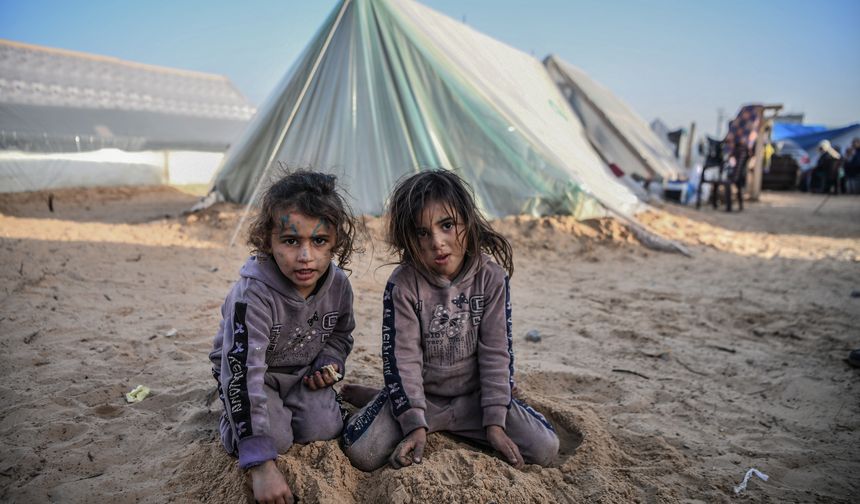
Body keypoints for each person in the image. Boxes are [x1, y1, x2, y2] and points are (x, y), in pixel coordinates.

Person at [341, 169, 559, 471]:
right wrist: (414, 422)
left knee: (545, 448)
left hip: (474, 399)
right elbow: (402, 359)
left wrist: (495, 421)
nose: (437, 242)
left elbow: (497, 353)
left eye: (447, 225)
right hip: (423, 396)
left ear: (467, 223)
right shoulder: (404, 285)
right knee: (361, 451)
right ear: (408, 239)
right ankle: (388, 399)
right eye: (422, 233)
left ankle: (398, 401)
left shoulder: (491, 278)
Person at [209, 170, 358, 504]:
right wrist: (260, 465)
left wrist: (328, 362)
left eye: (319, 241)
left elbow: (339, 334)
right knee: (273, 441)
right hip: (249, 375)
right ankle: (231, 422)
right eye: (291, 241)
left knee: (324, 429)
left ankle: (281, 411)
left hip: (300, 373)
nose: (305, 256)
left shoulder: (339, 288)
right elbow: (242, 372)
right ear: (268, 240)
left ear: (336, 242)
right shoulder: (254, 295)